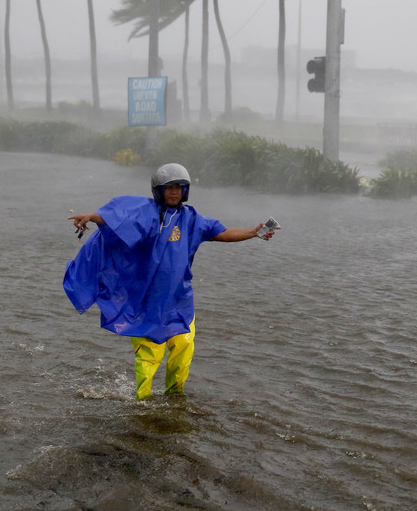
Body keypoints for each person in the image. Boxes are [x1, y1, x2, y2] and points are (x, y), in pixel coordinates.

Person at [63, 163, 278, 400]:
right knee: (149, 356)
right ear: (158, 190)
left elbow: (222, 233)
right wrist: (91, 217)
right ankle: (142, 404)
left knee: (183, 350)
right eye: (169, 187)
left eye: (180, 187)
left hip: (180, 300)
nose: (175, 192)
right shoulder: (145, 214)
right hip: (147, 303)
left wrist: (253, 232)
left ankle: (175, 399)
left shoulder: (193, 219)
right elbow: (118, 218)